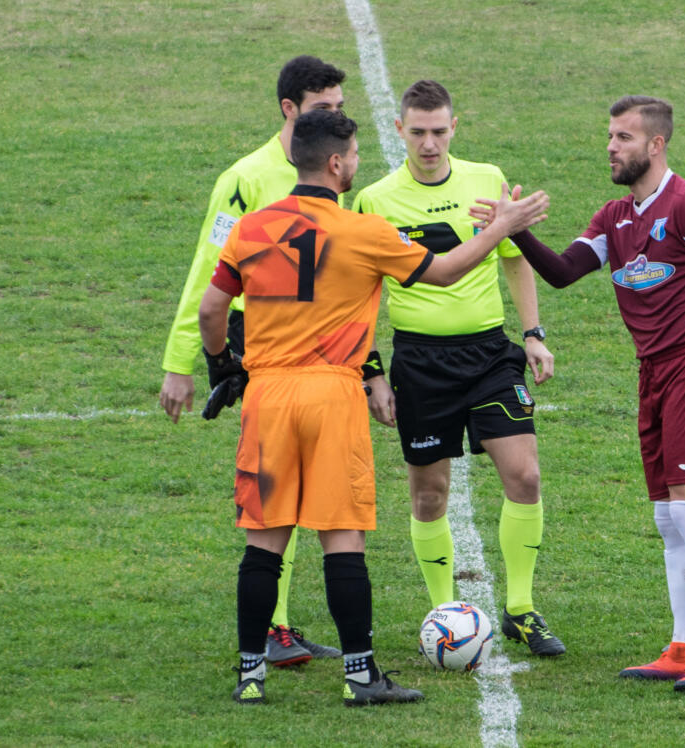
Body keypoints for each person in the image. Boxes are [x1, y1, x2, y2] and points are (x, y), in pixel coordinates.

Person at [200, 109, 549, 705]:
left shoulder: (252, 229)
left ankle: (250, 677)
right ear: (336, 163)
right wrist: (504, 226)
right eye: (356, 155)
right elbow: (445, 272)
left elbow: (212, 311)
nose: (359, 163)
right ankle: (361, 677)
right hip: (332, 395)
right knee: (343, 539)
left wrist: (223, 366)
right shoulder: (363, 231)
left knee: (264, 541)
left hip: (268, 396)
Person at [474, 96, 685, 692]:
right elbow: (562, 272)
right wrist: (514, 230)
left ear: (656, 145)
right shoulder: (615, 217)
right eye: (610, 136)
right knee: (668, 516)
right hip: (653, 373)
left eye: (624, 138)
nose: (611, 147)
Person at [351, 80, 565, 656]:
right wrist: (372, 372)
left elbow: (515, 258)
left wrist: (532, 334)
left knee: (525, 476)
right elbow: (360, 292)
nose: (429, 143)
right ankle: (443, 612)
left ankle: (520, 607)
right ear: (399, 129)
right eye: (418, 132)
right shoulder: (374, 200)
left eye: (439, 131)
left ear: (455, 127)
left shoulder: (485, 178)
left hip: (490, 355)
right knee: (429, 496)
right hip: (420, 362)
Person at [159, 55, 347, 666]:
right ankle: (272, 628)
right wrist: (181, 362)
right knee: (273, 489)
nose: (335, 119)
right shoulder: (244, 179)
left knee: (296, 485)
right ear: (289, 109)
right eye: (322, 109)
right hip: (259, 344)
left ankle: (278, 626)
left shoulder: (335, 168)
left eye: (340, 109)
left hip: (316, 350)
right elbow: (206, 276)